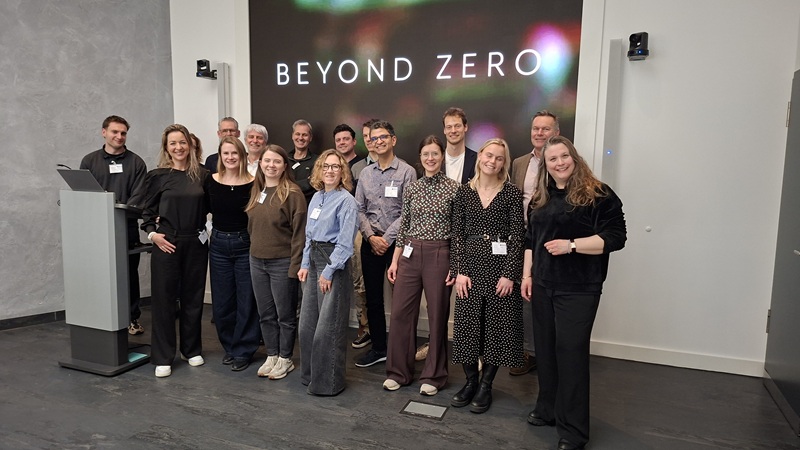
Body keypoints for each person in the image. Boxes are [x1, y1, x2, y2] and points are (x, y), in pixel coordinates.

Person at [521, 136, 626, 450]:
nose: (560, 163)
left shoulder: (598, 194)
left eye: (564, 156)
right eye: (552, 159)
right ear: (546, 165)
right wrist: (527, 275)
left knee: (571, 355)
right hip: (543, 285)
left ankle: (574, 431)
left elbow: (616, 237)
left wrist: (572, 245)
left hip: (579, 289)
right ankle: (548, 409)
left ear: (574, 157)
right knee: (546, 351)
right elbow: (531, 240)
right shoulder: (541, 197)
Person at [449, 138, 525, 414]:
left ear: (504, 163)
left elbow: (518, 236)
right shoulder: (463, 192)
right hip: (469, 270)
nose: (493, 161)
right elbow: (457, 235)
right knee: (467, 326)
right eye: (489, 155)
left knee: (496, 328)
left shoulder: (511, 193)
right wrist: (459, 271)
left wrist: (510, 274)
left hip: (499, 270)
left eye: (499, 158)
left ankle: (486, 386)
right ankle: (470, 381)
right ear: (480, 156)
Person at [383, 135, 460, 396]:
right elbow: (404, 226)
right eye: (426, 154)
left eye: (435, 153)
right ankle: (398, 372)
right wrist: (395, 260)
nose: (430, 158)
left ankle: (434, 376)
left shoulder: (454, 188)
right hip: (410, 253)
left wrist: (455, 265)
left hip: (440, 253)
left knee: (437, 315)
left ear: (442, 156)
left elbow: (458, 232)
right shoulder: (413, 188)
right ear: (420, 157)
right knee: (400, 313)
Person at [141, 124, 210, 378]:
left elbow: (211, 206)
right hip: (166, 243)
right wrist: (153, 235)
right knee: (164, 301)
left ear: (190, 145)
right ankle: (163, 356)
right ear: (166, 148)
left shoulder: (203, 175)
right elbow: (147, 213)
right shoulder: (157, 176)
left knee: (193, 298)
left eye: (182, 142)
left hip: (196, 243)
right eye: (173, 143)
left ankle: (191, 350)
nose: (178, 147)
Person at [354, 120, 417, 367]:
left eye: (383, 137)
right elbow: (358, 208)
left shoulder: (407, 172)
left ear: (393, 140)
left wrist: (386, 239)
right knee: (373, 299)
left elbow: (408, 211)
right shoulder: (365, 174)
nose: (378, 141)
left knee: (402, 300)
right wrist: (371, 237)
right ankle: (379, 348)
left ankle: (403, 351)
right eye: (374, 138)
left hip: (397, 245)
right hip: (370, 243)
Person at [297, 149, 359, 396]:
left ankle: (328, 384)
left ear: (343, 171)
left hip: (332, 263)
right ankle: (310, 376)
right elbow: (308, 235)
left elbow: (346, 242)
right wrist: (304, 263)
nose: (330, 170)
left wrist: (329, 271)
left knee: (327, 329)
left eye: (335, 166)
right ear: (319, 171)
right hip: (313, 260)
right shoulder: (316, 197)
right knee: (307, 325)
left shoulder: (347, 201)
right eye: (326, 166)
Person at [80, 115, 148, 336]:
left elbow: (139, 195)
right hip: (96, 229)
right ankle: (100, 317)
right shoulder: (89, 161)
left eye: (123, 133)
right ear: (104, 132)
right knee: (99, 274)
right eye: (114, 132)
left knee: (128, 275)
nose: (119, 136)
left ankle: (131, 318)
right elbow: (84, 194)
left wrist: (120, 212)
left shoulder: (136, 163)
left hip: (126, 229)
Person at [246, 144, 307, 380]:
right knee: (265, 314)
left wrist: (295, 266)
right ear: (260, 163)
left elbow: (300, 234)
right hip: (256, 261)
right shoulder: (256, 189)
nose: (271, 165)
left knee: (285, 315)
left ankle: (285, 358)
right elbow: (252, 226)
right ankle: (272, 354)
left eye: (277, 161)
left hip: (282, 263)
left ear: (284, 166)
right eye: (267, 161)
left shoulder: (292, 193)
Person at [510, 110, 561, 376]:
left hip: (551, 240)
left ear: (556, 133)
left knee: (548, 295)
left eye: (545, 129)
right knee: (525, 296)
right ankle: (529, 352)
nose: (539, 133)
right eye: (535, 128)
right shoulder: (519, 163)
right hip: (521, 238)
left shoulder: (562, 162)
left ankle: (551, 352)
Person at [207, 137, 259, 372]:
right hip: (218, 245)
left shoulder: (253, 183)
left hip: (244, 244)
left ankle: (244, 350)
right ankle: (230, 346)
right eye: (226, 153)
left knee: (246, 300)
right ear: (220, 156)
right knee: (222, 301)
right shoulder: (211, 181)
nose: (230, 157)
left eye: (234, 153)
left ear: (242, 156)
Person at [349, 118, 379, 350]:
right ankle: (366, 326)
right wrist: (367, 233)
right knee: (361, 280)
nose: (369, 140)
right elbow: (356, 204)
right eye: (366, 136)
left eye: (373, 136)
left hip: (390, 233)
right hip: (362, 230)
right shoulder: (357, 168)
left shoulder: (402, 168)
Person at [443, 107, 478, 184]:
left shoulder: (477, 160)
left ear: (465, 127)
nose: (453, 131)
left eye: (457, 126)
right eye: (449, 127)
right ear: (444, 130)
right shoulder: (435, 159)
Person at [288, 119, 318, 206]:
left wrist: (288, 186)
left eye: (305, 135)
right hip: (286, 207)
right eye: (297, 134)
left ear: (310, 138)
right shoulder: (283, 159)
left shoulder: (318, 161)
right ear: (292, 136)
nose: (300, 138)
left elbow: (315, 184)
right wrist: (306, 182)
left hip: (307, 208)